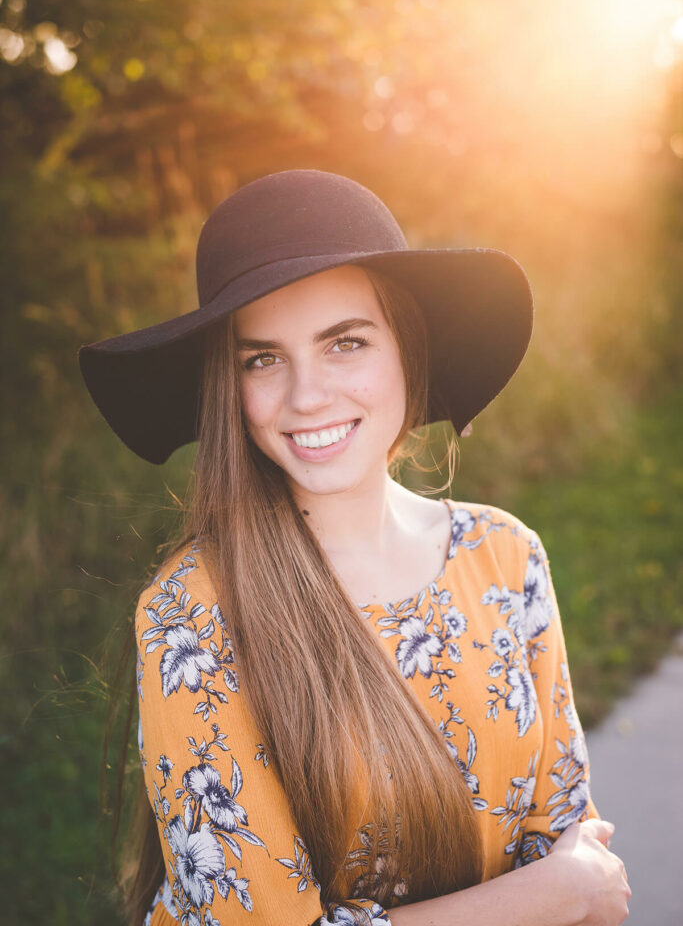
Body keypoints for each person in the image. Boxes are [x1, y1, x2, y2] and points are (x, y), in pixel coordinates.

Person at [79, 170, 630, 926]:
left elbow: (568, 837)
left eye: (344, 343)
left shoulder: (504, 557)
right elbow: (567, 888)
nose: (307, 396)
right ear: (227, 387)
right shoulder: (195, 616)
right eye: (263, 358)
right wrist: (542, 899)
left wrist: (565, 889)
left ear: (407, 349)